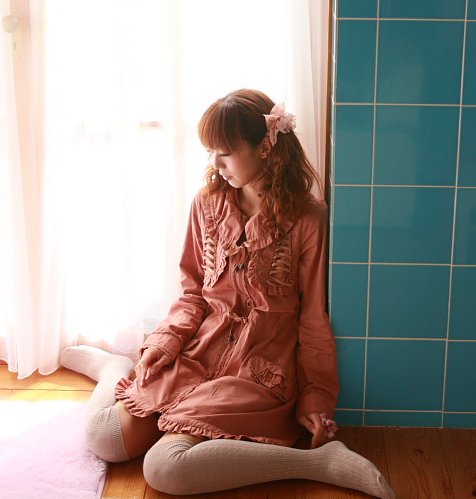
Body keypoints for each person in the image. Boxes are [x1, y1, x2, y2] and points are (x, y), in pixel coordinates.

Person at [60, 89, 395, 499]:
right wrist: (166, 341)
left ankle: (320, 463)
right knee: (105, 438)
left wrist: (317, 396)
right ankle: (116, 367)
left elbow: (312, 318)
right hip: (198, 353)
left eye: (225, 153)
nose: (215, 164)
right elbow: (193, 293)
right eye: (210, 152)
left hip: (256, 372)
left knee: (165, 467)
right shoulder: (207, 205)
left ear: (265, 147)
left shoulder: (309, 220)